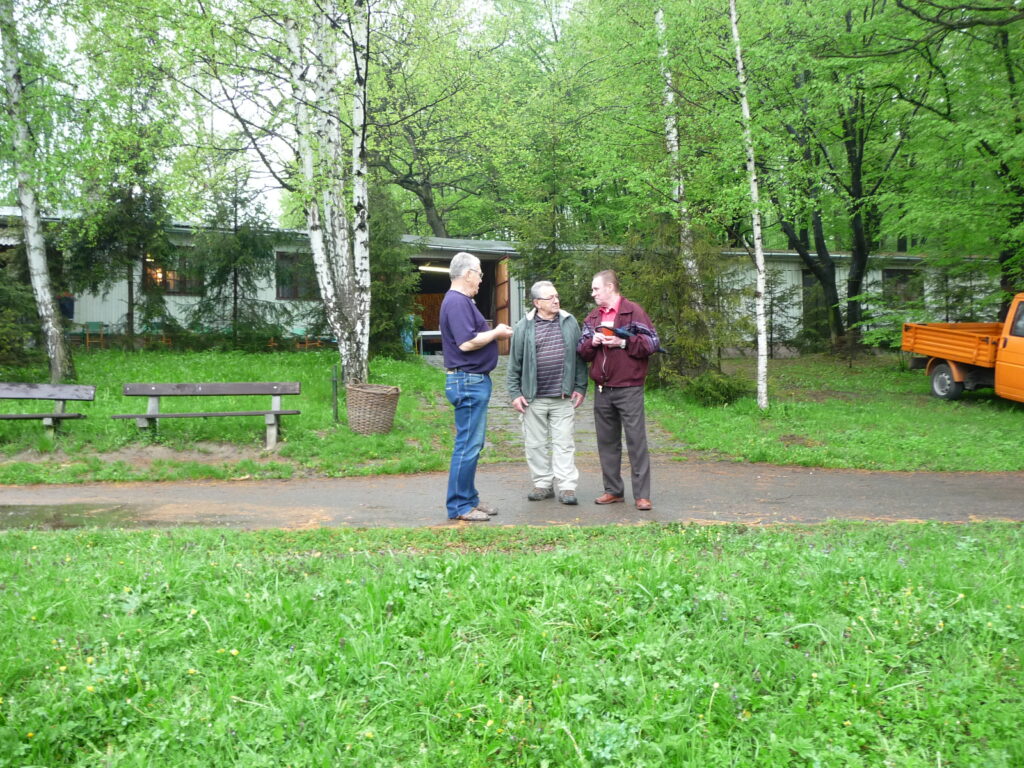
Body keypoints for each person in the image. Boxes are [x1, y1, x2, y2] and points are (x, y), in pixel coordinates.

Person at [439, 252, 514, 522]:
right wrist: (496, 333)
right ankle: (460, 506)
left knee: (472, 443)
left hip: (471, 380)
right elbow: (466, 343)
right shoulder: (457, 302)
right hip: (468, 381)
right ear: (468, 274)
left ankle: (469, 499)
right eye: (480, 274)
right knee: (468, 445)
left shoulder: (460, 301)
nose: (481, 279)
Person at [577, 269, 660, 511]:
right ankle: (613, 490)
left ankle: (642, 495)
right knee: (607, 442)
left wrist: (623, 342)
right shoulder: (593, 318)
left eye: (596, 289)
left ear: (610, 287)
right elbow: (581, 350)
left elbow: (652, 343)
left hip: (629, 388)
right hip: (602, 389)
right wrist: (592, 342)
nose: (593, 294)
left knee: (636, 441)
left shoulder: (633, 312)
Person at [507, 280, 588, 505]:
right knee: (535, 445)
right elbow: (514, 363)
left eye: (556, 296)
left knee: (564, 443)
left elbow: (580, 358)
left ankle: (567, 487)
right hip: (533, 398)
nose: (556, 300)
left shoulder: (569, 322)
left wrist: (580, 387)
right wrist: (514, 393)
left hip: (562, 397)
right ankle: (542, 484)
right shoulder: (523, 326)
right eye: (550, 297)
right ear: (537, 303)